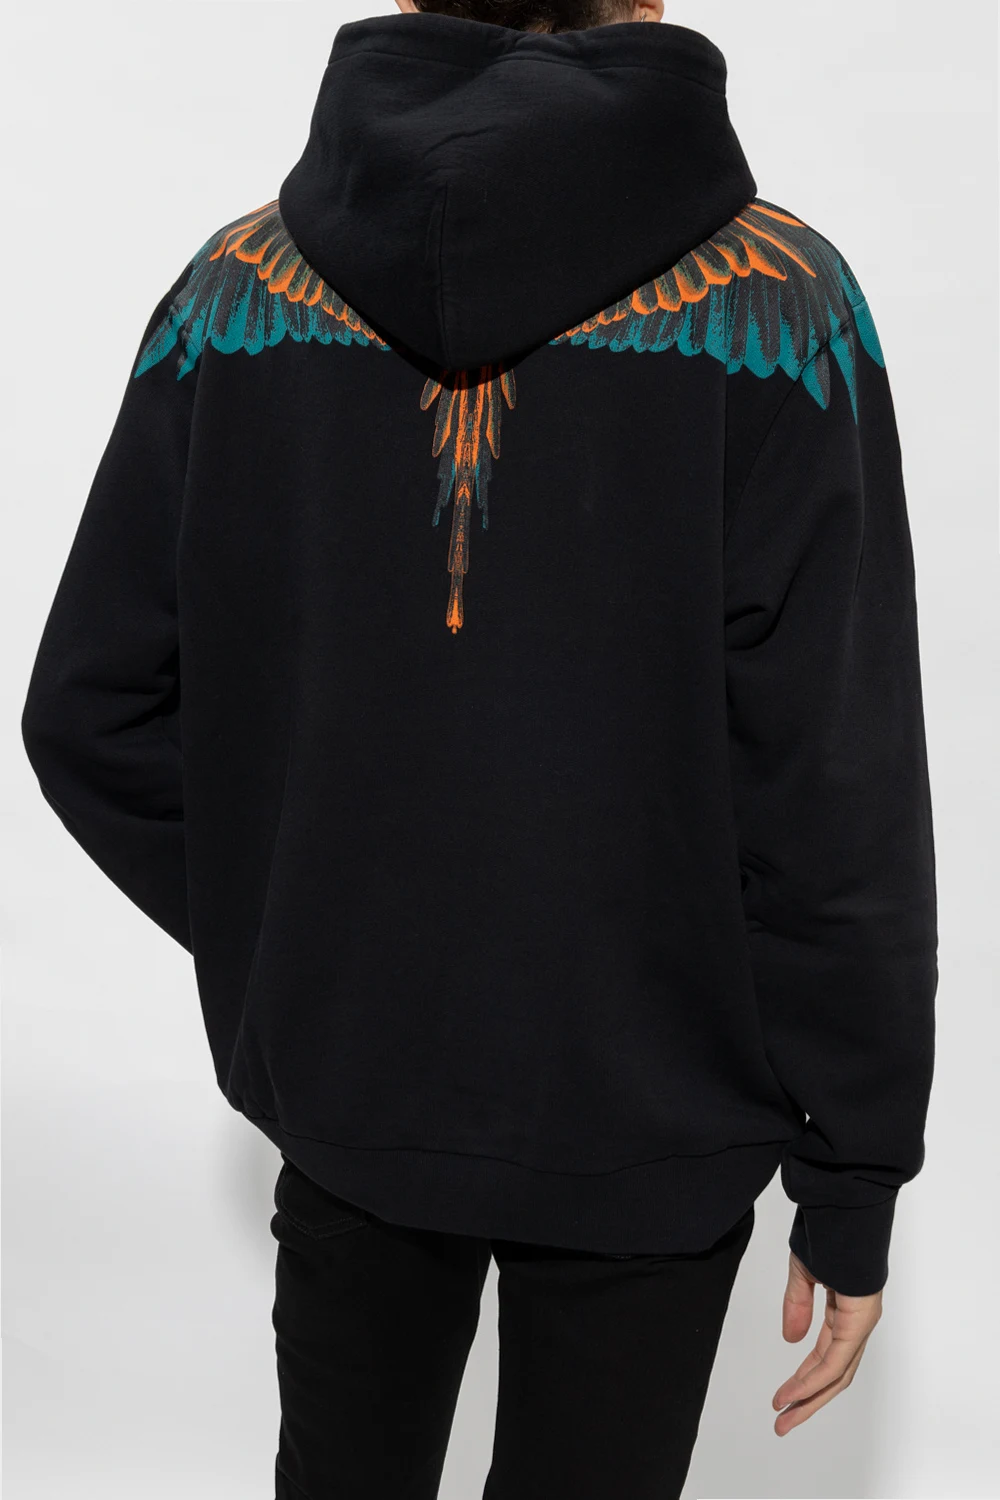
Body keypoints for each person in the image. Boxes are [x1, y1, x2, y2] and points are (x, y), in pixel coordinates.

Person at [20, 0, 938, 1495]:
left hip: (352, 1087)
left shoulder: (233, 289)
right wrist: (856, 1168)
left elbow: (92, 708)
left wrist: (304, 936)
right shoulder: (790, 309)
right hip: (657, 1097)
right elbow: (836, 776)